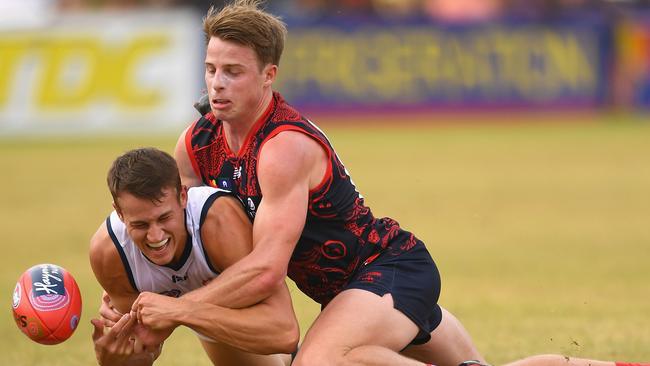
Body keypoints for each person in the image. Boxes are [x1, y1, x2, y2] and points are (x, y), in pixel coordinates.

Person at [125, 1, 648, 366]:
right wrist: (131, 294)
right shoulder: (194, 144)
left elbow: (264, 272)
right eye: (212, 68)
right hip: (352, 298)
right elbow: (182, 234)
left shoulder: (283, 147)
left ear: (269, 76)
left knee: (319, 363)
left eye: (234, 72)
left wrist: (180, 309)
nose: (217, 83)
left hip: (391, 272)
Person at [89, 147, 298, 366]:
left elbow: (283, 333)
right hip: (213, 316)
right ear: (120, 213)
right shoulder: (108, 253)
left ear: (182, 196)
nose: (155, 236)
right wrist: (115, 362)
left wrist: (180, 311)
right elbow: (143, 349)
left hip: (230, 312)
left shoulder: (219, 223)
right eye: (140, 224)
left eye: (164, 218)